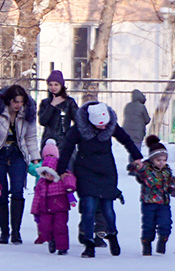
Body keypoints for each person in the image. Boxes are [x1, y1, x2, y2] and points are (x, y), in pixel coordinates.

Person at [58, 100, 142, 258]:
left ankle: (112, 234)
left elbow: (126, 140)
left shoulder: (110, 125)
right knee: (88, 208)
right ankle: (89, 243)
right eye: (100, 125)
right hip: (85, 170)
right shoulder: (79, 129)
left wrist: (136, 157)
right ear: (90, 121)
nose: (104, 128)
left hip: (106, 171)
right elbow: (67, 148)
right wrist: (62, 170)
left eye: (105, 125)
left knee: (107, 209)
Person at [0, 84, 35, 243]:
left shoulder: (27, 114)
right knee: (0, 191)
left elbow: (31, 137)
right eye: (15, 101)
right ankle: (4, 232)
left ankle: (16, 232)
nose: (18, 105)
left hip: (18, 154)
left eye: (21, 102)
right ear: (9, 100)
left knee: (18, 190)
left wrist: (35, 157)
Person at [31, 141, 76, 255]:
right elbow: (37, 197)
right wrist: (35, 211)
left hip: (60, 208)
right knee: (44, 226)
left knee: (60, 227)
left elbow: (70, 180)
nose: (49, 177)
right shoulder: (41, 183)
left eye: (51, 174)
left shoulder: (61, 179)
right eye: (47, 174)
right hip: (45, 209)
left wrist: (70, 190)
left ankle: (62, 247)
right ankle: (51, 240)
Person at [136, 135, 175, 255]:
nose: (161, 163)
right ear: (152, 159)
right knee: (148, 226)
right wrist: (135, 167)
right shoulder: (146, 169)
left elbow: (171, 181)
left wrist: (173, 189)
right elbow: (137, 170)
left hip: (163, 203)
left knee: (166, 223)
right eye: (158, 160)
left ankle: (162, 241)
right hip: (149, 203)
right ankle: (146, 245)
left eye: (164, 160)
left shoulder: (167, 170)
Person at [39, 69, 79, 148]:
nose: (53, 87)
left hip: (65, 141)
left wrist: (70, 134)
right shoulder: (45, 102)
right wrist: (52, 105)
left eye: (56, 84)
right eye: (50, 85)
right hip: (49, 141)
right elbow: (42, 121)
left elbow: (78, 120)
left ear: (61, 85)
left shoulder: (69, 102)